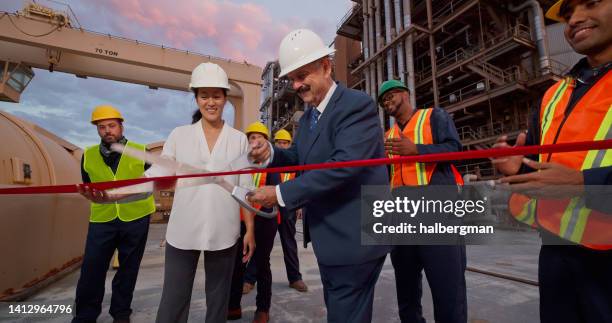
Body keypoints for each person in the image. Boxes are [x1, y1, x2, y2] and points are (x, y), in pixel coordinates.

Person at [248, 29, 390, 322]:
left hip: (356, 237)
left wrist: (280, 194)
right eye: (293, 79)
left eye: (303, 75)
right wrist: (271, 153)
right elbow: (299, 156)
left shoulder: (356, 106)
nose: (297, 85)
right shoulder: (310, 117)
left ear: (326, 66)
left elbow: (344, 166)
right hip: (330, 240)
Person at [494, 0, 612, 322]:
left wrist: (583, 183)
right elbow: (536, 160)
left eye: (591, 3)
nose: (575, 19)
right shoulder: (555, 94)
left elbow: (572, 176)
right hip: (557, 251)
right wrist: (515, 166)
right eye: (568, 13)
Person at [146, 62, 255, 323]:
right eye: (204, 96)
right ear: (196, 98)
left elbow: (245, 189)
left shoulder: (239, 139)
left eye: (216, 95)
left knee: (218, 303)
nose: (211, 102)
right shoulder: (179, 135)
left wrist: (249, 229)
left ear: (225, 98)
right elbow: (159, 173)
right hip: (184, 229)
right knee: (173, 302)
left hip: (224, 230)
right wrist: (116, 193)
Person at [378, 79, 467, 323]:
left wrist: (417, 150)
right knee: (406, 289)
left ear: (405, 94)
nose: (387, 102)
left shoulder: (433, 117)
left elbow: (455, 150)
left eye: (391, 96)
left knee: (448, 288)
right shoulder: (389, 135)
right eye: (383, 101)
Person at [74, 105, 155, 323]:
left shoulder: (141, 151)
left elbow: (152, 183)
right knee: (92, 269)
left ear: (121, 126)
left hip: (136, 217)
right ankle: (85, 316)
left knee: (128, 270)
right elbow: (88, 185)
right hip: (102, 219)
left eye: (112, 125)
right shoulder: (88, 155)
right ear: (97, 130)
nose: (107, 131)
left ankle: (120, 313)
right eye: (102, 127)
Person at [242, 129, 308, 299]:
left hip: (288, 206)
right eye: (278, 142)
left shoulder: (295, 162)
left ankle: (294, 277)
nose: (282, 145)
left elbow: (301, 183)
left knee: (289, 242)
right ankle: (250, 279)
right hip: (268, 206)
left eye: (285, 143)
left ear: (290, 144)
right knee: (263, 245)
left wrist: (299, 205)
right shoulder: (271, 160)